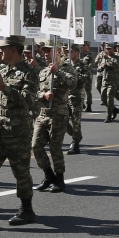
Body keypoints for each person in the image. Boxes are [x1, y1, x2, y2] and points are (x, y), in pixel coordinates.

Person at [0, 35, 38, 227]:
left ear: (13, 50)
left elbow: (28, 100)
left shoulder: (29, 72)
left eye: (3, 48)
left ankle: (26, 210)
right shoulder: (1, 70)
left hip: (18, 130)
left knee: (21, 172)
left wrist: (5, 88)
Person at [31, 41, 76, 193]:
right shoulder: (43, 71)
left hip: (58, 114)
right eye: (45, 51)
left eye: (49, 51)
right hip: (43, 114)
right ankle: (48, 174)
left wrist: (58, 72)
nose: (46, 53)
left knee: (55, 148)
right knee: (36, 145)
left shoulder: (67, 68)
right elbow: (35, 93)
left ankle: (60, 178)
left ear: (58, 52)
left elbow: (73, 83)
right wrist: (43, 94)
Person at [65, 44, 90, 154]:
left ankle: (75, 144)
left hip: (77, 97)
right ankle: (77, 135)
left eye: (70, 51)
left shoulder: (83, 65)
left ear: (76, 52)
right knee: (62, 120)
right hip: (65, 96)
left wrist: (76, 76)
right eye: (67, 51)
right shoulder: (65, 64)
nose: (68, 53)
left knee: (76, 121)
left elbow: (88, 79)